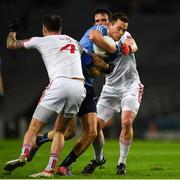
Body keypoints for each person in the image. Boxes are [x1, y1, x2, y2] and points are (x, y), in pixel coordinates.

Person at [26, 10, 130, 177]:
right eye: (97, 20)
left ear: (109, 22)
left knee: (90, 132)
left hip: (86, 87)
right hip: (72, 83)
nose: (100, 23)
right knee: (68, 133)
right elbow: (94, 41)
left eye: (103, 20)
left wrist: (100, 64)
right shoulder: (96, 32)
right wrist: (97, 59)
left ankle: (63, 164)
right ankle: (40, 141)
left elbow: (102, 71)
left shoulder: (115, 48)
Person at [3, 15, 86, 177]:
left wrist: (12, 32)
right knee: (60, 132)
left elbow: (10, 44)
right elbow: (91, 57)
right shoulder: (73, 41)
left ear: (44, 29)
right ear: (61, 28)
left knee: (34, 127)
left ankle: (23, 156)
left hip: (59, 84)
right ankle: (49, 169)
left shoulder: (40, 40)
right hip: (79, 86)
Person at [82, 20, 144, 175]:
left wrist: (129, 48)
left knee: (126, 121)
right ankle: (98, 159)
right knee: (95, 127)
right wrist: (99, 66)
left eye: (123, 29)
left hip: (130, 86)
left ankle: (121, 163)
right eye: (119, 29)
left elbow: (134, 45)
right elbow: (98, 71)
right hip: (110, 89)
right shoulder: (97, 45)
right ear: (110, 27)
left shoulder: (125, 36)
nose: (121, 32)